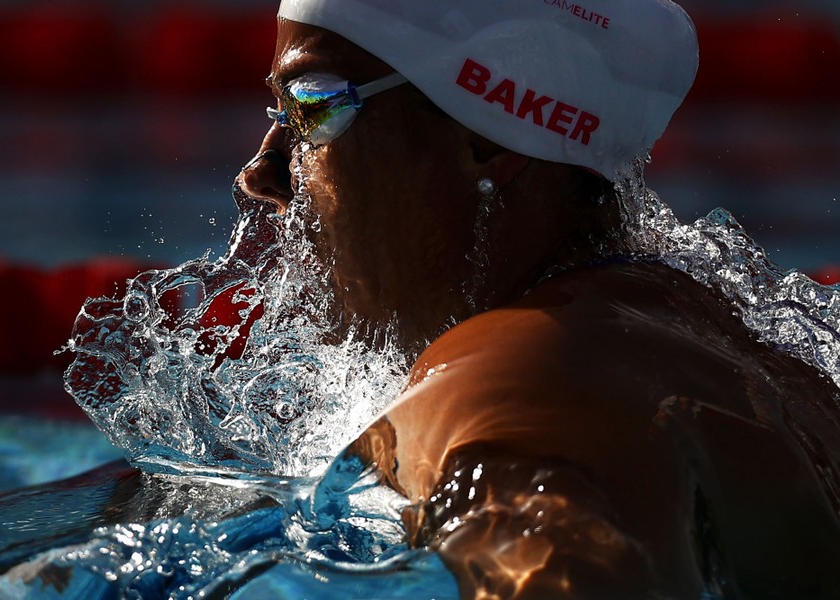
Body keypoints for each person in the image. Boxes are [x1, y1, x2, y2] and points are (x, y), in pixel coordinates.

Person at [236, 0, 840, 597]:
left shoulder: (507, 388)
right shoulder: (751, 365)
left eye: (312, 106)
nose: (262, 173)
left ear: (487, 137)